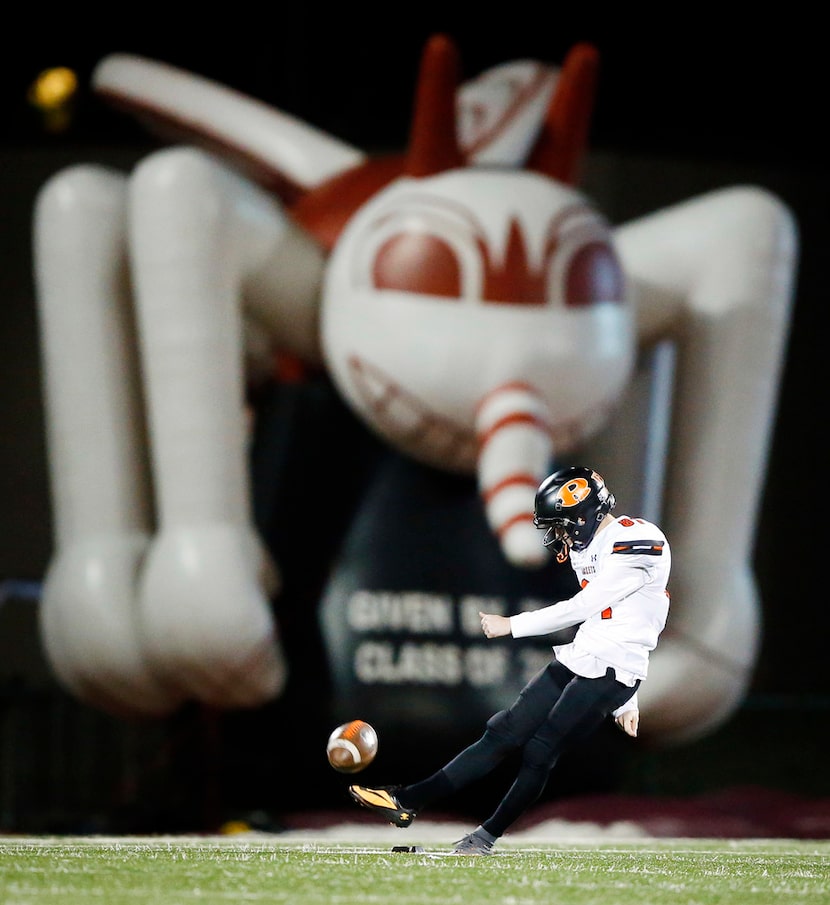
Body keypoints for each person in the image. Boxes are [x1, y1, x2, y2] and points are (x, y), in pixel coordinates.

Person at [348, 465, 671, 855]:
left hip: (615, 670)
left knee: (540, 749)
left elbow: (586, 607)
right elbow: (624, 615)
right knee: (502, 732)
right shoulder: (586, 548)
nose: (558, 535)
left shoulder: (639, 540)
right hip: (584, 654)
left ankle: (484, 837)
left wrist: (511, 625)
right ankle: (406, 801)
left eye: (562, 524)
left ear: (585, 515)